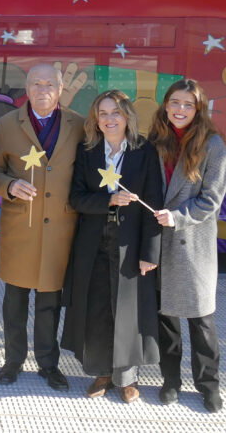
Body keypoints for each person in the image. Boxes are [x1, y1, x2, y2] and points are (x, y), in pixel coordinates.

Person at [61, 90, 163, 404]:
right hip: (94, 243)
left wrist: (150, 252)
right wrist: (108, 200)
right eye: (103, 113)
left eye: (115, 113)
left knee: (129, 310)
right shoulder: (89, 150)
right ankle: (102, 372)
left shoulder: (143, 151)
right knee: (98, 308)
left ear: (127, 116)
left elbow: (153, 202)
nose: (109, 119)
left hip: (130, 244)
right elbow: (76, 198)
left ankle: (127, 377)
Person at [0, 64, 84, 390]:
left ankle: (48, 363)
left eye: (50, 84)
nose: (43, 90)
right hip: (21, 228)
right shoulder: (5, 124)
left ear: (60, 90)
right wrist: (10, 186)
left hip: (60, 229)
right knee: (14, 303)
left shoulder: (79, 125)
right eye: (36, 84)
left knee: (49, 304)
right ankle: (12, 361)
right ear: (27, 89)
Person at [149, 79, 226, 413]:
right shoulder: (155, 141)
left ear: (198, 110)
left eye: (188, 104)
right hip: (159, 240)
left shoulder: (214, 145)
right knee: (165, 319)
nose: (180, 110)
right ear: (165, 105)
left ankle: (209, 385)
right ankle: (170, 382)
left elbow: (212, 199)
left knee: (201, 319)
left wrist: (178, 217)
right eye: (175, 103)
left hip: (192, 242)